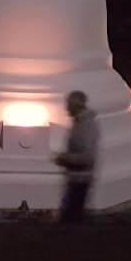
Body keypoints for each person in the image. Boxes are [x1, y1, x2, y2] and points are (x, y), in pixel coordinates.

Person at [53, 90, 100, 223]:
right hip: (76, 178)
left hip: (80, 179)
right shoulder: (79, 123)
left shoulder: (86, 126)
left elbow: (87, 156)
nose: (66, 108)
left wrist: (65, 158)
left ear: (76, 105)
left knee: (71, 219)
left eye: (69, 104)